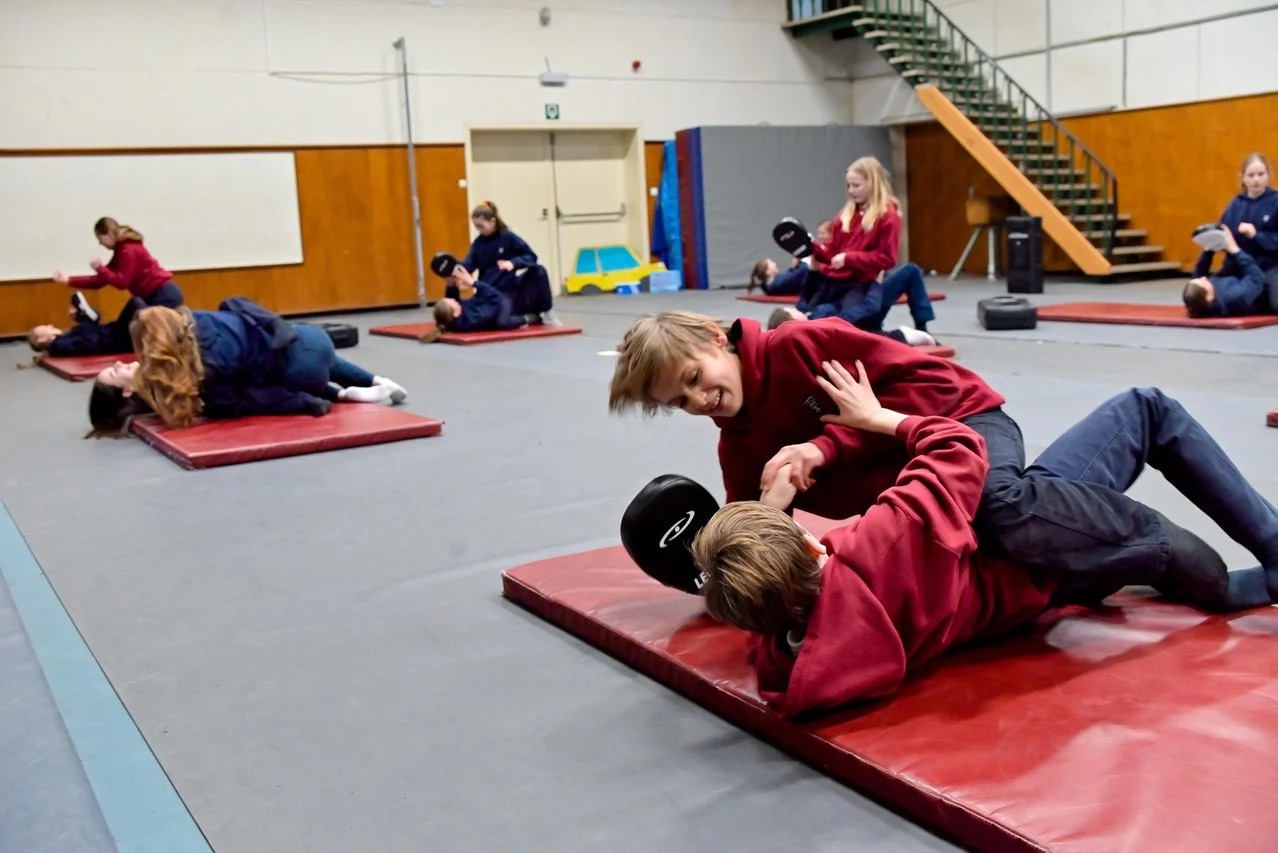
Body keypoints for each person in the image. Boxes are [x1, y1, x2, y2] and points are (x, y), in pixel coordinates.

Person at [691, 360, 1278, 718]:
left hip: (1025, 596)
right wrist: (879, 420)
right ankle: (1247, 569)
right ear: (813, 547)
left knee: (1051, 484)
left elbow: (771, 639)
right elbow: (958, 449)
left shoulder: (797, 667)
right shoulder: (883, 546)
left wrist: (752, 553)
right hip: (1047, 556)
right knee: (1146, 409)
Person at [608, 310, 1240, 606]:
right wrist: (758, 528)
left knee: (999, 505)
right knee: (1001, 567)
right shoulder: (738, 444)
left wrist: (827, 444)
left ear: (717, 340)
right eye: (681, 401)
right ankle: (1141, 419)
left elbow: (939, 386)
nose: (700, 399)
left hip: (967, 425)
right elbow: (763, 550)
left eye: (695, 376)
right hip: (930, 491)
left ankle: (1169, 550)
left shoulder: (804, 345)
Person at [87, 299, 408, 434]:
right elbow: (234, 305)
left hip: (301, 375)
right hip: (312, 342)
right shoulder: (192, 326)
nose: (118, 362)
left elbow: (249, 401)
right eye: (115, 372)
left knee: (281, 376)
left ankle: (342, 396)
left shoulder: (187, 379)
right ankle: (378, 381)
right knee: (317, 355)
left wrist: (303, 404)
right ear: (128, 390)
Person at [53, 217, 185, 312]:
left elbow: (122, 282)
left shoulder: (128, 250)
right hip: (155, 294)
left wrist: (100, 268)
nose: (100, 243)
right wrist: (69, 280)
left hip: (162, 294)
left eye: (100, 239)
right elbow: (100, 281)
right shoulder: (121, 250)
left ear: (109, 234)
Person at [460, 201, 560, 324]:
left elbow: (531, 256)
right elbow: (469, 264)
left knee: (539, 271)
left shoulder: (509, 238)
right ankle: (530, 318)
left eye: (481, 226)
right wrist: (458, 271)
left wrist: (513, 263)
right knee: (501, 322)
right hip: (490, 292)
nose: (479, 230)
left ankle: (548, 313)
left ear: (492, 221)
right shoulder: (478, 244)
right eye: (476, 227)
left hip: (509, 290)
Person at [425, 263, 558, 341]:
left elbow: (453, 299)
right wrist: (473, 283)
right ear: (456, 312)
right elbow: (496, 298)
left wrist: (451, 284)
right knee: (538, 271)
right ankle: (536, 315)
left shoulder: (449, 318)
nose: (453, 299)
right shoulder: (475, 317)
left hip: (498, 301)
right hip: (506, 305)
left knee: (534, 271)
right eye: (452, 302)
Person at [1183, 225, 1274, 318]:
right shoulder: (1234, 296)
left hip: (1232, 277)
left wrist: (1208, 250)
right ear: (1209, 297)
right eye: (1204, 282)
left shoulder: (1202, 298)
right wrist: (1235, 250)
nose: (1204, 278)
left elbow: (1199, 274)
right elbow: (1257, 278)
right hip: (1254, 276)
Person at [25, 295, 149, 361]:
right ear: (41, 339)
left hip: (112, 332)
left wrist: (81, 320)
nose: (50, 325)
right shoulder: (59, 346)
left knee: (140, 301)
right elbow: (90, 343)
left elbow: (89, 332)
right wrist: (85, 322)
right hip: (116, 339)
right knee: (136, 303)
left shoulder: (64, 338)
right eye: (45, 328)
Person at [748, 221, 832, 296]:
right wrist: (804, 259)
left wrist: (797, 264)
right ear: (768, 272)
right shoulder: (777, 284)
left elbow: (794, 275)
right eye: (771, 263)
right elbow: (803, 272)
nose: (775, 263)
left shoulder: (771, 284)